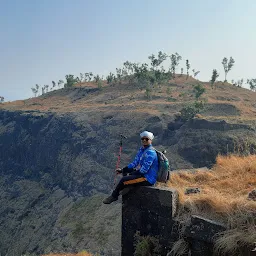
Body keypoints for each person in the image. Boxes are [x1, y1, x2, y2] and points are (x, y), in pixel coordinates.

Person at [103, 131, 159, 204]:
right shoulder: (142, 150)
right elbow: (135, 163)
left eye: (147, 139)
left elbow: (144, 170)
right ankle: (129, 187)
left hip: (148, 178)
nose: (144, 140)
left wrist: (134, 172)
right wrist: (123, 170)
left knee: (124, 180)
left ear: (150, 140)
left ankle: (114, 196)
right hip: (144, 174)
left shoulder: (151, 153)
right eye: (143, 139)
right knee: (128, 174)